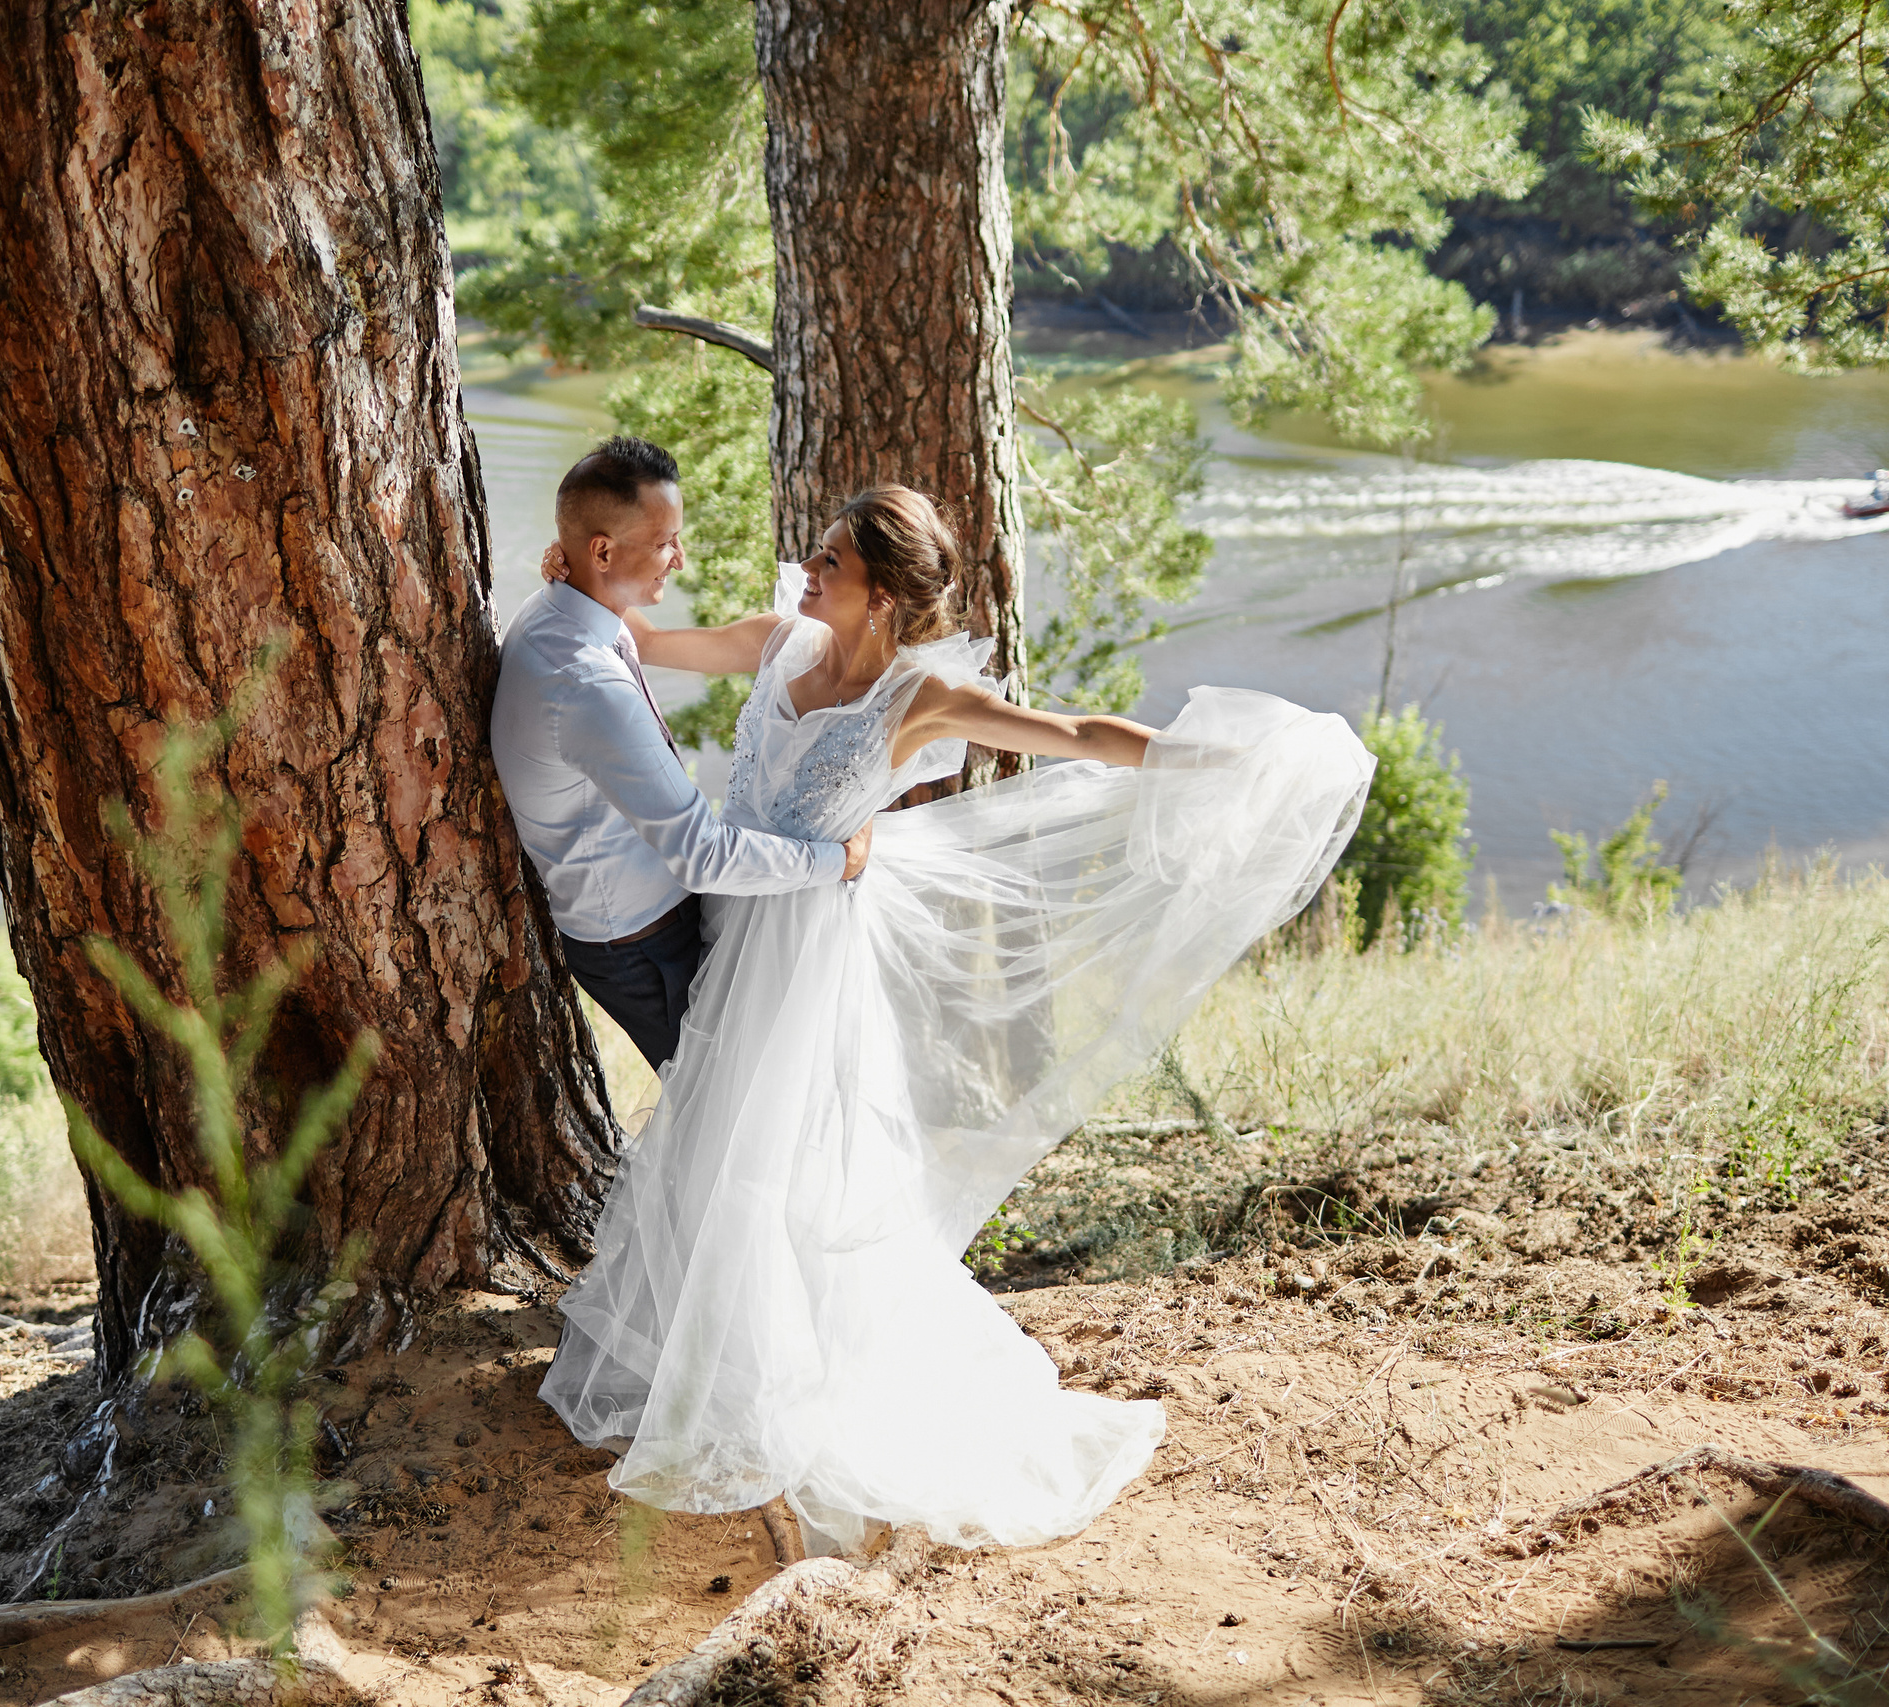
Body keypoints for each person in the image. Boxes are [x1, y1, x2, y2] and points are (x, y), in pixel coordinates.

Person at [535, 484, 1377, 1557]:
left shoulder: (918, 698)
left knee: (783, 1157)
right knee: (714, 1141)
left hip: (804, 952)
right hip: (732, 923)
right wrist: (578, 582)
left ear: (882, 596)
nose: (808, 566)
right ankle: (714, 1349)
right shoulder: (782, 638)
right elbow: (647, 641)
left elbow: (1073, 733)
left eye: (832, 560)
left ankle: (790, 1374)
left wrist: (1215, 758)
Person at [490, 437, 875, 1071]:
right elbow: (702, 854)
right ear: (603, 551)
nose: (680, 557)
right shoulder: (586, 684)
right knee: (724, 1112)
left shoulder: (564, 610)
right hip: (642, 945)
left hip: (659, 914)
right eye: (665, 542)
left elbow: (650, 637)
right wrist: (838, 861)